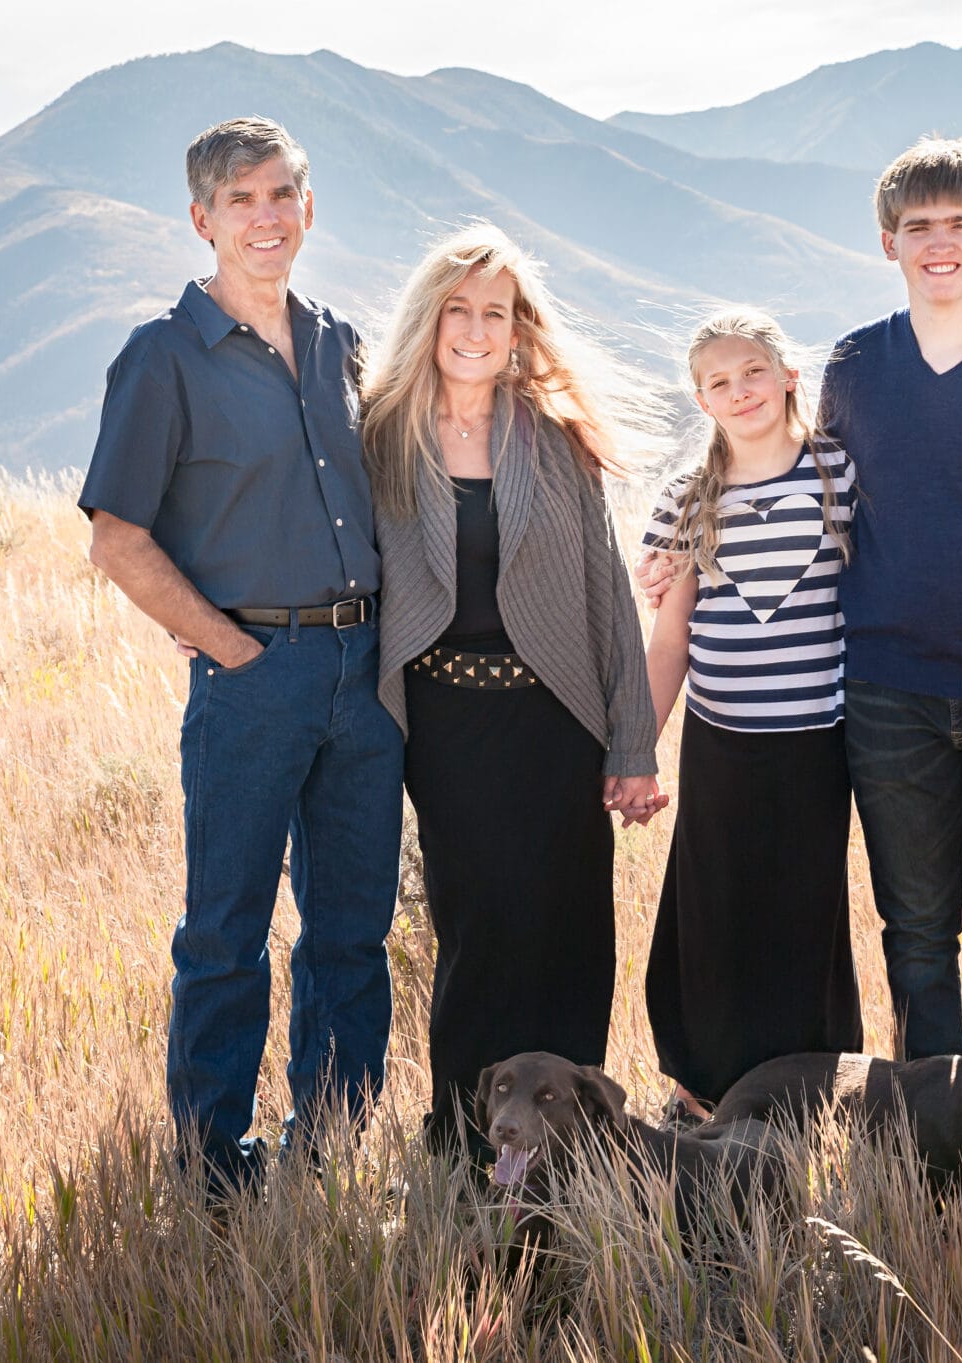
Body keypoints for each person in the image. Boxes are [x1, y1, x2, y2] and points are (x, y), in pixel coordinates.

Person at [639, 136, 962, 1062]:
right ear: (888, 243)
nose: (941, 243)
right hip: (888, 701)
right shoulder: (858, 366)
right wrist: (678, 551)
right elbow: (785, 472)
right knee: (918, 938)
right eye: (919, 227)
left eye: (960, 226)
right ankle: (934, 1131)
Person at [77, 117, 404, 1196]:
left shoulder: (341, 345)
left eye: (280, 197)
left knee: (351, 931)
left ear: (307, 209)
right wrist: (230, 646)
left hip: (365, 676)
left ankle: (332, 1149)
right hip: (254, 678)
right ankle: (208, 1167)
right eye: (240, 201)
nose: (264, 218)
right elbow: (118, 536)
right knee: (226, 932)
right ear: (201, 220)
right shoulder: (163, 356)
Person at [360, 223, 664, 1164]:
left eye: (497, 311)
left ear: (519, 329)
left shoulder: (552, 437)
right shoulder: (381, 434)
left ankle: (578, 1148)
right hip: (447, 728)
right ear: (429, 318)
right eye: (459, 308)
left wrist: (632, 743)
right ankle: (463, 1144)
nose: (477, 328)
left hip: (555, 722)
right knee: (480, 932)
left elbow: (607, 595)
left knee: (571, 934)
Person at [639, 308, 865, 1126]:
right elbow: (670, 640)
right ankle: (704, 1091)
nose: (741, 392)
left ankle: (806, 1091)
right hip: (721, 741)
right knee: (716, 905)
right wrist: (638, 743)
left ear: (789, 375)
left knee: (804, 907)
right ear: (700, 400)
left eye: (753, 373)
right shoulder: (688, 501)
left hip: (818, 740)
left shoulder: (840, 476)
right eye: (719, 382)